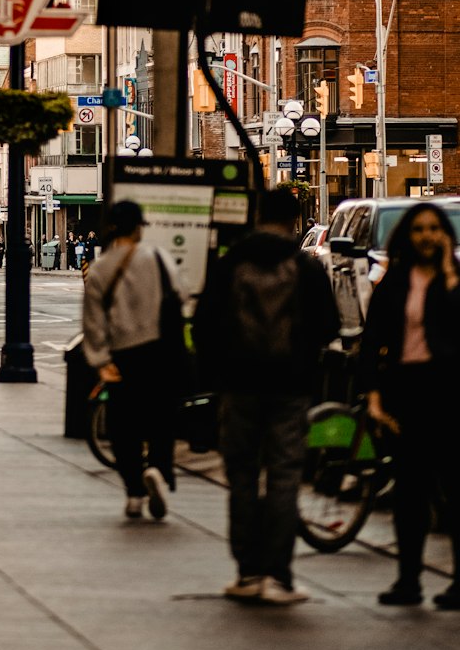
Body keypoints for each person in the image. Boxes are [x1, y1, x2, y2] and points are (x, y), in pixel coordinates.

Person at [194, 186, 340, 606]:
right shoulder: (304, 267)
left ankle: (246, 571)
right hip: (290, 386)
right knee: (284, 477)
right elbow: (328, 326)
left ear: (256, 216)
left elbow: (206, 326)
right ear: (295, 221)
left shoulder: (230, 264)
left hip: (239, 387)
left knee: (241, 478)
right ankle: (277, 574)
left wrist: (219, 373)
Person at [358, 203, 460, 608]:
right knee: (411, 492)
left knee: (454, 491)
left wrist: (452, 279)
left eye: (435, 228)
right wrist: (375, 398)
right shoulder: (396, 281)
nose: (427, 236)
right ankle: (408, 580)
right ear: (408, 235)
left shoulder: (455, 282)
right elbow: (371, 342)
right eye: (419, 229)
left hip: (450, 393)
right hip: (407, 393)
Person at [82, 200, 187, 522]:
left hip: (122, 354)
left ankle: (133, 492)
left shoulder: (100, 268)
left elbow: (93, 321)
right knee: (161, 416)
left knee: (123, 424)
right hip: (160, 351)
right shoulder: (158, 258)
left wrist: (100, 360)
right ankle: (156, 467)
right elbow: (180, 295)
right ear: (139, 226)